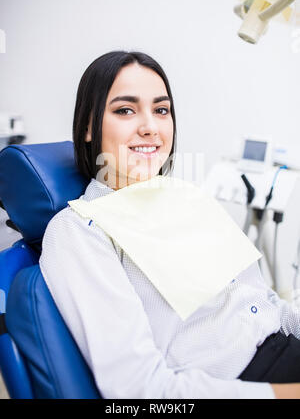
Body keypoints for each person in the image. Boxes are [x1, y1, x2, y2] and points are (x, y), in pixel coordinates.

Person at [40, 51, 300, 399]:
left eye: (161, 110)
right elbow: (139, 391)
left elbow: (265, 304)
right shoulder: (81, 230)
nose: (150, 127)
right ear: (88, 126)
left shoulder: (188, 197)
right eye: (125, 110)